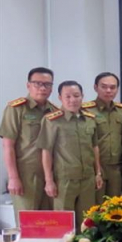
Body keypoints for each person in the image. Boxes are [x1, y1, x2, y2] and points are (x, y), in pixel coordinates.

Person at [37, 81, 102, 227]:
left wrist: (98, 173)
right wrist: (49, 181)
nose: (72, 100)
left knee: (88, 222)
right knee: (63, 224)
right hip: (64, 180)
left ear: (82, 96)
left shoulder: (90, 119)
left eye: (76, 95)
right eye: (68, 96)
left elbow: (95, 147)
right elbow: (46, 151)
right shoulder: (51, 121)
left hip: (87, 179)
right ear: (60, 97)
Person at [0, 67, 57, 218]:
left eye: (48, 84)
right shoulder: (17, 109)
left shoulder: (55, 112)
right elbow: (8, 145)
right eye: (38, 83)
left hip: (52, 175)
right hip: (26, 175)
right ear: (28, 85)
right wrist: (13, 178)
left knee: (50, 222)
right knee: (28, 222)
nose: (43, 88)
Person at [83, 72, 122, 202]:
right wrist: (97, 170)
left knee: (115, 208)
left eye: (113, 87)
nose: (108, 90)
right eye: (104, 86)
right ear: (96, 87)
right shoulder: (85, 111)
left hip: (116, 168)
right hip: (95, 167)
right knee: (96, 207)